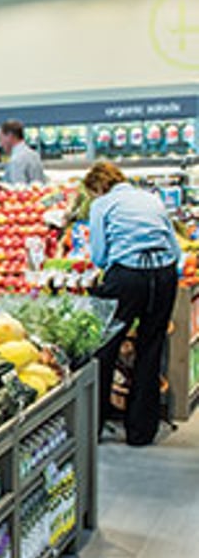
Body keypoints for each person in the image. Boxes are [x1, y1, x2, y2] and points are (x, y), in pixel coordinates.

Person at [85, 161, 180, 447]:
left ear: (99, 187)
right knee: (150, 348)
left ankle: (94, 427)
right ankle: (141, 433)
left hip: (127, 276)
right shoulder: (151, 198)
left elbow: (99, 257)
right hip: (163, 274)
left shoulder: (102, 204)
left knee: (105, 349)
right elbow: (175, 249)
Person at [0, 120, 46, 185]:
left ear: (10, 136)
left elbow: (19, 189)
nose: (1, 144)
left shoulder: (16, 160)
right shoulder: (35, 155)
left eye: (1, 138)